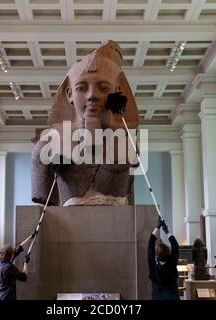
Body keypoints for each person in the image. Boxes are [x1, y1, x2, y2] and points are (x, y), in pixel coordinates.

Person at [31, 40, 139, 206]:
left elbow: (130, 202)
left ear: (117, 92)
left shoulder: (128, 142)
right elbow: (41, 210)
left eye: (103, 87)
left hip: (118, 227)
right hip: (68, 230)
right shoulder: (48, 145)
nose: (91, 96)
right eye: (82, 87)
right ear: (69, 94)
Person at [147, 218, 180, 300]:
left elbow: (150, 244)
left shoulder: (154, 267)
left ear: (157, 255)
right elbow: (175, 246)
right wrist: (166, 231)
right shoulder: (171, 263)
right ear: (168, 253)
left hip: (157, 297)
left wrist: (157, 227)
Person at [0, 233, 34, 300]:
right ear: (11, 255)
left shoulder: (0, 263)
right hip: (7, 297)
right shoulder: (9, 267)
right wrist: (25, 263)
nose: (15, 252)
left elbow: (18, 249)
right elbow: (23, 277)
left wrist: (30, 237)